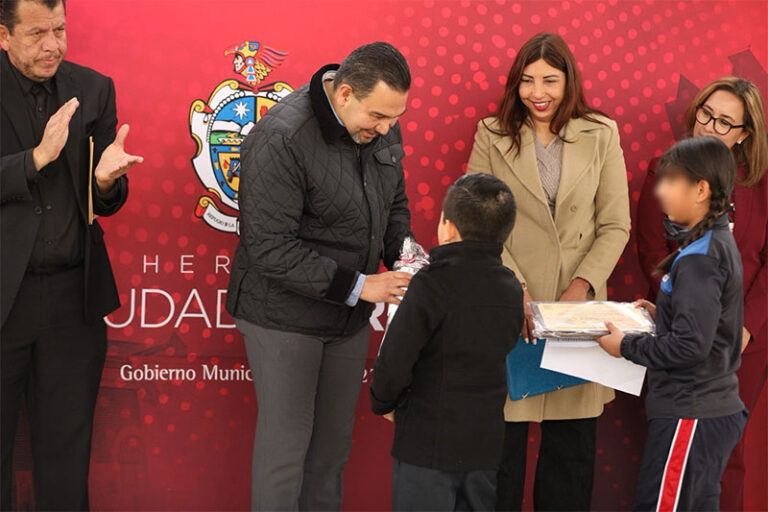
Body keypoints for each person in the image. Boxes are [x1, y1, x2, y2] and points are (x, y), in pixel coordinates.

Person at [226, 42, 413, 510]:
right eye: (378, 116)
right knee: (284, 454)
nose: (389, 128)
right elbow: (268, 246)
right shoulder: (281, 137)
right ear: (345, 93)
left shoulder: (381, 127)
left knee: (330, 455)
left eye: (395, 117)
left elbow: (393, 208)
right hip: (281, 318)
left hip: (345, 322)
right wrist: (362, 286)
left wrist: (408, 257)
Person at [465, 32, 631, 510]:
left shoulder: (602, 133)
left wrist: (580, 288)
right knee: (500, 460)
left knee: (571, 458)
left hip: (576, 312)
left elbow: (615, 225)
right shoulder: (491, 134)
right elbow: (478, 222)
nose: (538, 92)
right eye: (527, 80)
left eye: (550, 81)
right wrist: (514, 289)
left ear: (569, 81)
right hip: (509, 307)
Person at [0, 0, 142, 509]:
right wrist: (35, 159)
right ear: (4, 35)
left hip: (70, 300)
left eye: (60, 29)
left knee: (66, 457)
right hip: (2, 300)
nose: (53, 44)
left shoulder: (93, 88)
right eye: (37, 33)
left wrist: (106, 181)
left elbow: (106, 195)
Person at [635, 77, 767, 510]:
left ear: (744, 135)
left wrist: (743, 324)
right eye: (705, 114)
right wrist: (683, 311)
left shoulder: (761, 186)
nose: (709, 126)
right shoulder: (664, 171)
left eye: (725, 122)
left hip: (742, 343)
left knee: (726, 455)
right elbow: (653, 253)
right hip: (680, 338)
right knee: (673, 452)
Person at [597, 136, 748, 511]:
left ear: (700, 189)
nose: (660, 191)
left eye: (671, 181)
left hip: (691, 413)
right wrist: (661, 310)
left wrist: (625, 346)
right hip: (702, 410)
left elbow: (689, 346)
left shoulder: (699, 257)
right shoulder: (713, 241)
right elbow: (705, 321)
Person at [370, 173, 525, 511]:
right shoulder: (511, 287)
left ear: (448, 227)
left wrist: (383, 402)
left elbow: (394, 361)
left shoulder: (431, 284)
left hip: (426, 446)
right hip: (484, 447)